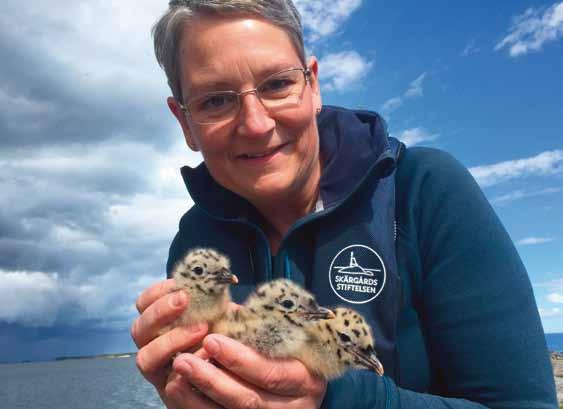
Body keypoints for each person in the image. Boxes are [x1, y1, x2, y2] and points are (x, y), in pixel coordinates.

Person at [130, 1, 558, 408]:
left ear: (312, 84)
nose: (257, 124)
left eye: (278, 83)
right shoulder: (195, 244)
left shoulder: (425, 190)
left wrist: (332, 399)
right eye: (216, 100)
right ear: (184, 121)